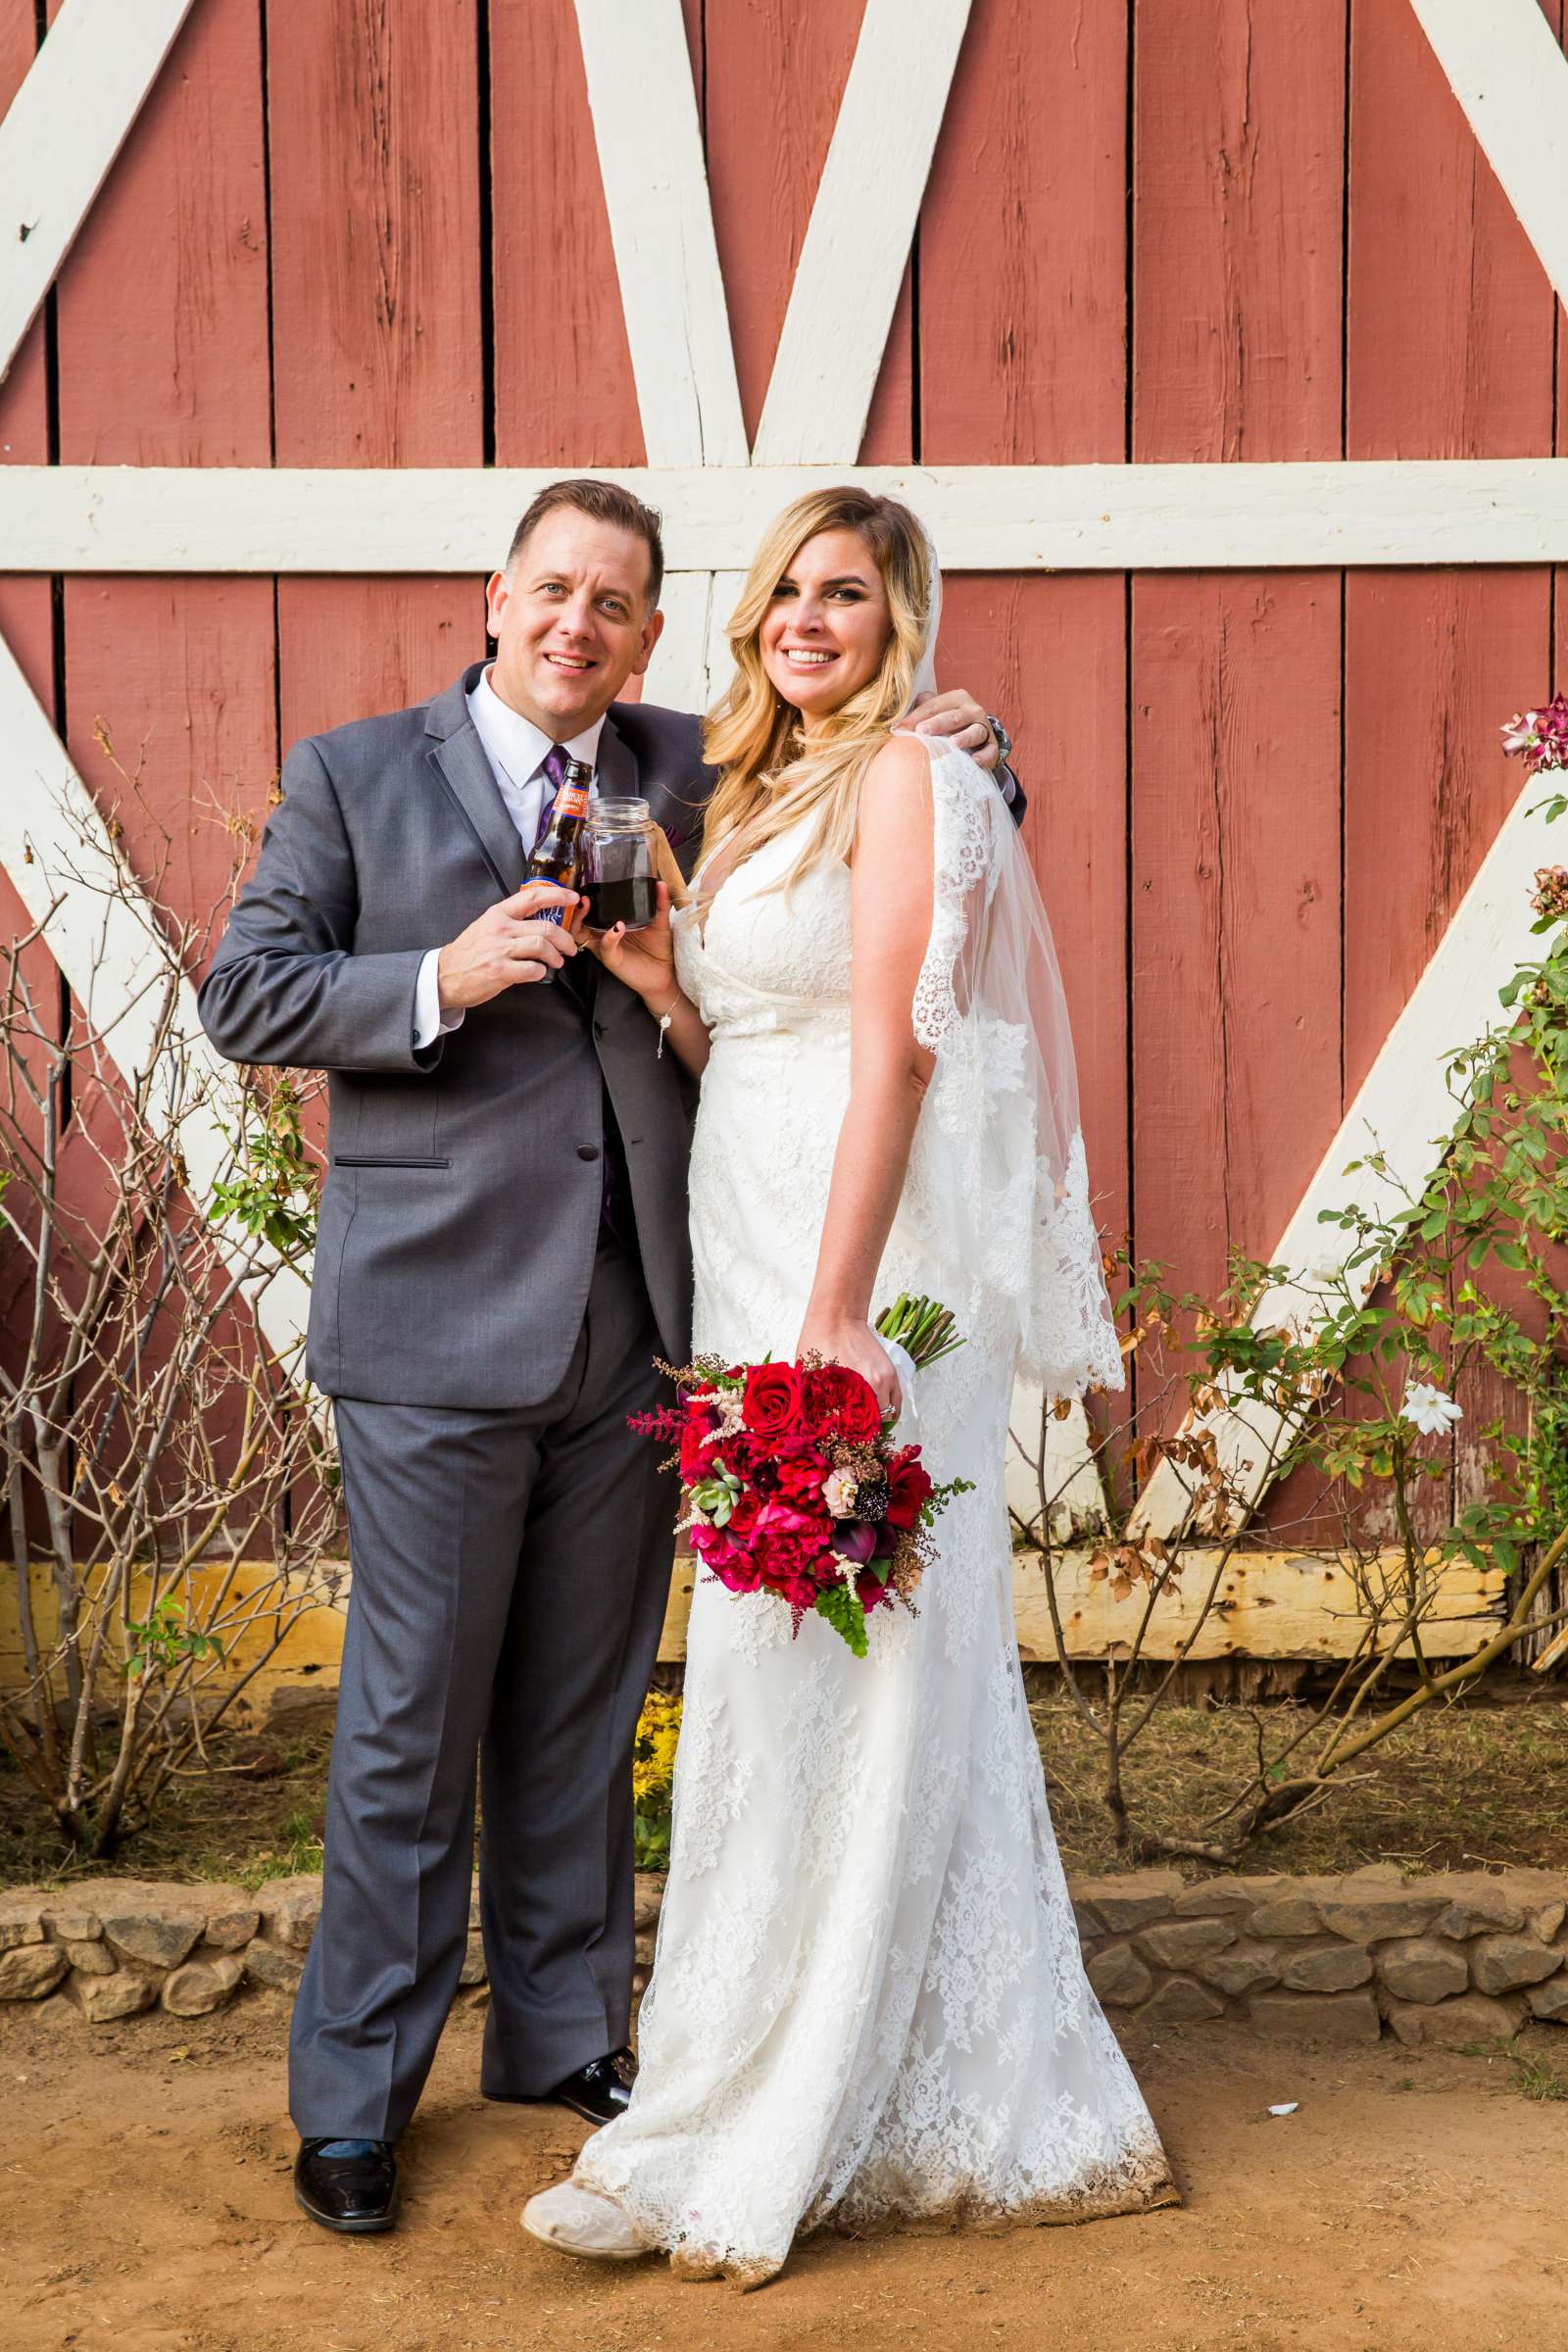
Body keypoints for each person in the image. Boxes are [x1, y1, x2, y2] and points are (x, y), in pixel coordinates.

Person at [197, 476, 1016, 2235]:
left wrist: (975, 729)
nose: (582, 622)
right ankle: (355, 2100)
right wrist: (438, 975)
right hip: (432, 1326)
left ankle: (565, 2033)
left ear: (651, 629)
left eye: (619, 601)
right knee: (411, 1725)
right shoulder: (355, 771)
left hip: (647, 1324)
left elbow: (898, 802)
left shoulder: (695, 758)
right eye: (555, 588)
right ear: (497, 597)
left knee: (583, 1709)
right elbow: (246, 992)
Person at [521, 488, 1178, 2285]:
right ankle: (750, 2060)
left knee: (868, 1666)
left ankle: (800, 2107)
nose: (808, 618)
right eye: (788, 590)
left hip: (852, 1272)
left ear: (906, 617)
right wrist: (665, 982)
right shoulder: (767, 785)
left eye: (849, 593)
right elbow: (760, 1030)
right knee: (765, 1662)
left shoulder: (911, 776)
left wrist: (834, 1306)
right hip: (748, 1252)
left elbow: (897, 1040)